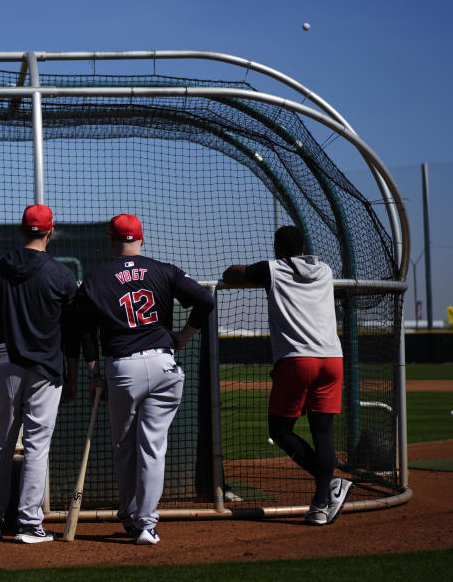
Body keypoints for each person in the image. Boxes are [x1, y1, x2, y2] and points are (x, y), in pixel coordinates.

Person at [76, 214, 215, 545]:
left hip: (123, 368)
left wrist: (94, 371)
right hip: (164, 364)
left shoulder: (96, 277)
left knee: (124, 447)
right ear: (142, 239)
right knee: (153, 447)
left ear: (112, 241)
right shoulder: (164, 269)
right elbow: (206, 300)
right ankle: (147, 525)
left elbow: (83, 328)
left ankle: (128, 513)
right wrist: (184, 335)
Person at [222, 225, 352, 526]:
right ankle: (321, 503)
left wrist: (246, 268)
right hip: (332, 357)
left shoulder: (273, 268)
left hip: (297, 358)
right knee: (323, 433)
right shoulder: (325, 270)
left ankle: (330, 484)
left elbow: (232, 274)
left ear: (278, 248)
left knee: (280, 430)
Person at [0, 204, 79, 543]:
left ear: (22, 230)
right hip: (46, 371)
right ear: (51, 231)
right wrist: (74, 376)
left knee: (0, 444)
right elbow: (72, 333)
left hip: (5, 368)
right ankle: (27, 524)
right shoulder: (61, 274)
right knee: (36, 447)